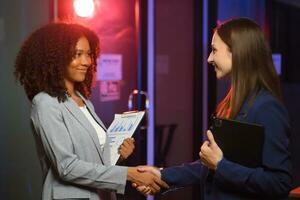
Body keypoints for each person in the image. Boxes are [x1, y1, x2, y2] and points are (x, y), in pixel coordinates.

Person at [135, 17, 292, 199]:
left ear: (237, 52)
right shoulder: (232, 102)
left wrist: (220, 165)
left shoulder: (267, 107)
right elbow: (209, 165)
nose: (209, 58)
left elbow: (279, 182)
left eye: (214, 50)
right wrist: (161, 176)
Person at [14, 22, 168, 200]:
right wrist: (128, 174)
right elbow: (67, 167)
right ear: (56, 58)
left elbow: (94, 161)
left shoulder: (84, 101)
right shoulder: (45, 103)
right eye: (77, 54)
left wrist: (119, 155)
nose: (87, 62)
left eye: (88, 54)